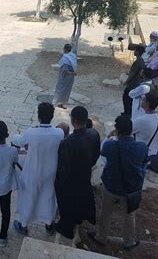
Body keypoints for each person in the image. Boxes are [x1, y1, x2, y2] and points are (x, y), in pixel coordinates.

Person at [88, 115, 147, 250]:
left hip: (111, 186)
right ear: (131, 131)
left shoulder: (110, 145)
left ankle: (101, 237)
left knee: (106, 213)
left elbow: (103, 152)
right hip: (131, 189)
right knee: (129, 215)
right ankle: (129, 242)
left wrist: (111, 136)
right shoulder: (141, 147)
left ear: (117, 131)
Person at [13, 103, 65, 236]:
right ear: (52, 116)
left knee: (29, 196)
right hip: (50, 171)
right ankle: (48, 224)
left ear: (38, 116)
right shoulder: (58, 133)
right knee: (48, 197)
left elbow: (19, 141)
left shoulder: (31, 132)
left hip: (33, 171)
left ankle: (23, 224)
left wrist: (15, 136)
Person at [55, 106, 100, 246]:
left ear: (73, 121)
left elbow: (63, 167)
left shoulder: (68, 142)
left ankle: (66, 228)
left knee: (67, 203)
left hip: (70, 180)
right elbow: (95, 156)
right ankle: (77, 219)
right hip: (84, 174)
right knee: (79, 198)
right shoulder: (94, 134)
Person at [132, 92, 158, 159]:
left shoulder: (143, 120)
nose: (141, 100)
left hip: (142, 153)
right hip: (153, 152)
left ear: (147, 103)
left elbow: (126, 130)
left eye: (143, 99)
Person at [52, 43, 77, 109]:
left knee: (60, 89)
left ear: (65, 49)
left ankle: (54, 103)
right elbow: (75, 66)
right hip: (71, 77)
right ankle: (64, 103)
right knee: (67, 90)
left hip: (65, 77)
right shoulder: (73, 56)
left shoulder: (65, 58)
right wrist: (73, 73)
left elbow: (65, 71)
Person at [122, 45, 145, 116]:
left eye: (135, 50)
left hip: (132, 84)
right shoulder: (142, 61)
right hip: (137, 83)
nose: (134, 51)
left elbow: (132, 74)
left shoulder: (137, 62)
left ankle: (127, 113)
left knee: (126, 99)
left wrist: (126, 81)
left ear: (137, 52)